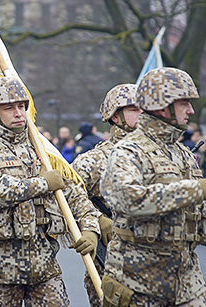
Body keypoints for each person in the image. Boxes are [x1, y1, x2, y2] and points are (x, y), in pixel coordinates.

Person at [0, 76, 101, 306]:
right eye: (9, 108)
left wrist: (90, 229)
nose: (18, 113)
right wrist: (43, 183)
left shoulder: (42, 150)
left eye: (21, 106)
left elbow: (75, 195)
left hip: (44, 268)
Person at [101, 67, 206, 306]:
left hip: (188, 284)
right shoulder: (128, 150)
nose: (191, 110)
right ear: (161, 106)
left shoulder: (183, 154)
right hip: (139, 284)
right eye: (184, 103)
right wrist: (194, 191)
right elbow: (129, 199)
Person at [71, 83, 142, 307]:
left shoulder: (160, 156)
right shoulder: (92, 160)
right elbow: (66, 196)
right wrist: (95, 220)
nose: (142, 115)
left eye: (144, 109)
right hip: (113, 262)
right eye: (134, 110)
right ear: (115, 116)